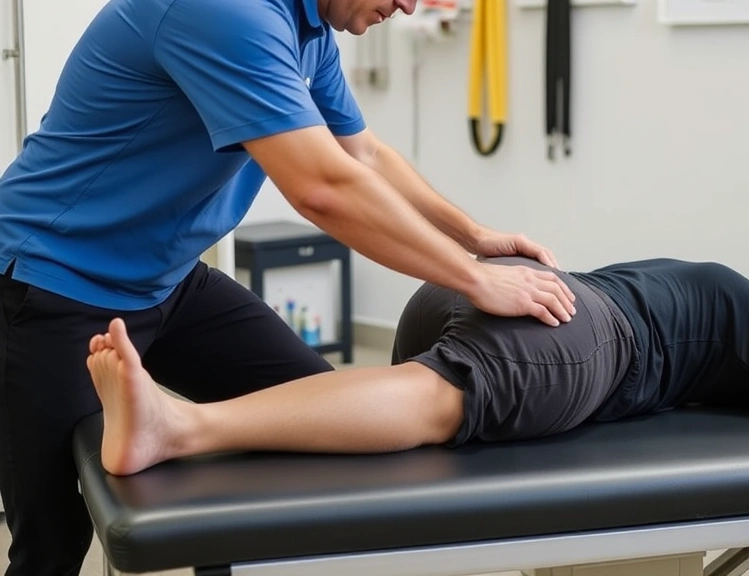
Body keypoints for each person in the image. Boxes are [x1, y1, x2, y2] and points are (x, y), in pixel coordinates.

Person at [0, 0, 575, 573]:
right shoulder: (225, 10)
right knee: (50, 542)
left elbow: (362, 154)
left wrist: (475, 236)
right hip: (53, 282)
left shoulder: (308, 28)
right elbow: (322, 188)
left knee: (324, 421)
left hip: (167, 281)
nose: (407, 5)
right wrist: (475, 281)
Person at [84, 256, 749, 478]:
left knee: (434, 402)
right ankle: (183, 421)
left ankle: (184, 425)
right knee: (428, 395)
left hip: (587, 341)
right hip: (541, 302)